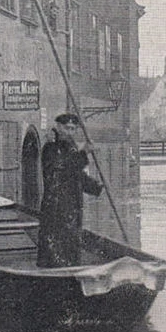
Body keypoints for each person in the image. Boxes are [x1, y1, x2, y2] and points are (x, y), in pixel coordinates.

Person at [37, 112, 103, 267]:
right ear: (58, 127)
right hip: (56, 207)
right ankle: (55, 275)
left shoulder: (71, 147)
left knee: (71, 242)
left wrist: (96, 188)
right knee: (56, 244)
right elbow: (64, 169)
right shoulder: (50, 148)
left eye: (73, 129)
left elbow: (76, 175)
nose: (70, 132)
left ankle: (72, 271)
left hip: (72, 206)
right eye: (67, 128)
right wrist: (84, 153)